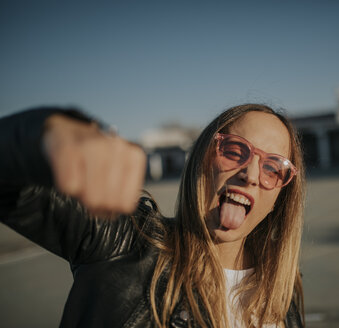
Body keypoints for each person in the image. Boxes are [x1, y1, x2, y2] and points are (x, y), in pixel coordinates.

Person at [0, 103, 305, 327]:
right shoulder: (124, 248)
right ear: (202, 159)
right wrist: (53, 134)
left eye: (273, 167)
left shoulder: (283, 287)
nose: (251, 174)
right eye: (235, 150)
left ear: (280, 195)